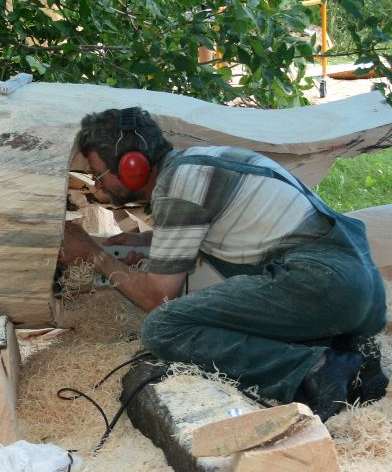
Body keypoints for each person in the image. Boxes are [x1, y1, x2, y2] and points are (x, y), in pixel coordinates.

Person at [59, 107, 388, 421]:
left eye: (100, 174)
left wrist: (94, 255)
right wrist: (146, 243)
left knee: (164, 327)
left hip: (323, 283)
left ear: (134, 166)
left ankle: (317, 369)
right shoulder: (199, 164)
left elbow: (156, 298)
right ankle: (350, 358)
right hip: (357, 289)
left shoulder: (177, 185)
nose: (97, 185)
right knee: (219, 318)